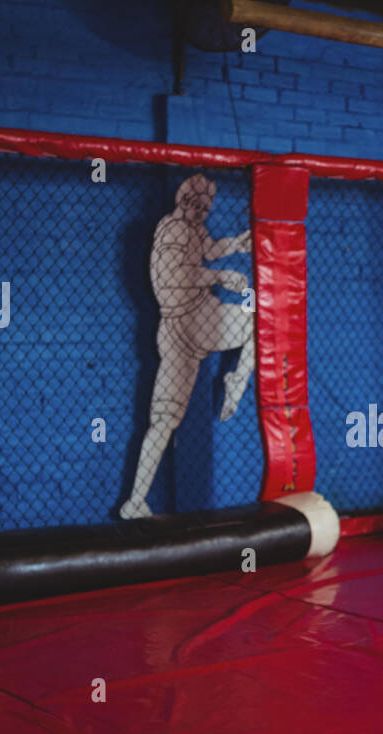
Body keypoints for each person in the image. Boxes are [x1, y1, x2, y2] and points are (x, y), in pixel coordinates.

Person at [120, 173, 254, 520]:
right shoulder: (172, 229)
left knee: (257, 320)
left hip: (197, 318)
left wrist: (237, 244)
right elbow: (171, 277)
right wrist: (220, 276)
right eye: (193, 203)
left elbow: (208, 250)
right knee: (163, 419)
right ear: (181, 199)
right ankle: (136, 501)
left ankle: (237, 381)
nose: (198, 211)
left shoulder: (193, 228)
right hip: (185, 323)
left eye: (204, 207)